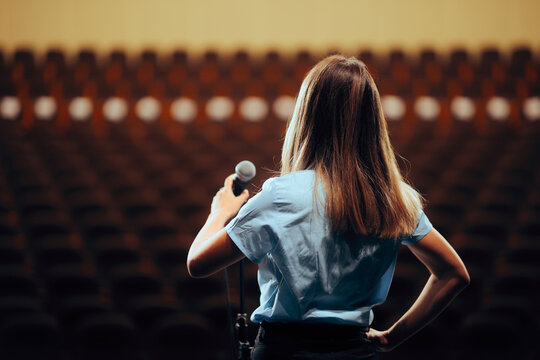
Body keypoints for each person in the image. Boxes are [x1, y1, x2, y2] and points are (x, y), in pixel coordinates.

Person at [187, 55, 470, 359]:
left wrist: (221, 211)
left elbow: (198, 264)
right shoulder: (394, 198)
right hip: (357, 352)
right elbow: (453, 274)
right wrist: (392, 338)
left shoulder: (281, 195)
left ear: (307, 117)